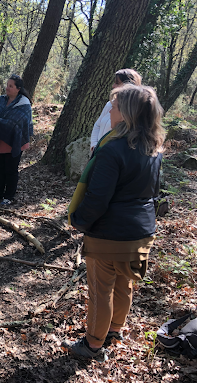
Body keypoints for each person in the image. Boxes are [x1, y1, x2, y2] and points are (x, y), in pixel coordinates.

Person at [64, 84, 165, 358]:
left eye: (116, 106)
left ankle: (93, 344)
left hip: (109, 234)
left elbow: (98, 198)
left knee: (100, 291)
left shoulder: (112, 150)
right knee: (125, 283)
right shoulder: (154, 149)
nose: (111, 110)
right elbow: (153, 193)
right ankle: (115, 330)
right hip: (141, 233)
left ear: (128, 113)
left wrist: (80, 221)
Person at [0, 74, 33, 206]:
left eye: (11, 86)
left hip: (14, 142)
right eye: (7, 85)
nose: (7, 88)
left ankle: (9, 196)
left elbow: (17, 123)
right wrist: (3, 123)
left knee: (11, 170)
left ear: (18, 88)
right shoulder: (0, 100)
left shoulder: (24, 104)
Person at [90, 69, 142, 152]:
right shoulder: (109, 104)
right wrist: (94, 145)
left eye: (117, 83)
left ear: (128, 86)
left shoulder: (133, 113)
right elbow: (97, 125)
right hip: (97, 153)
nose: (113, 86)